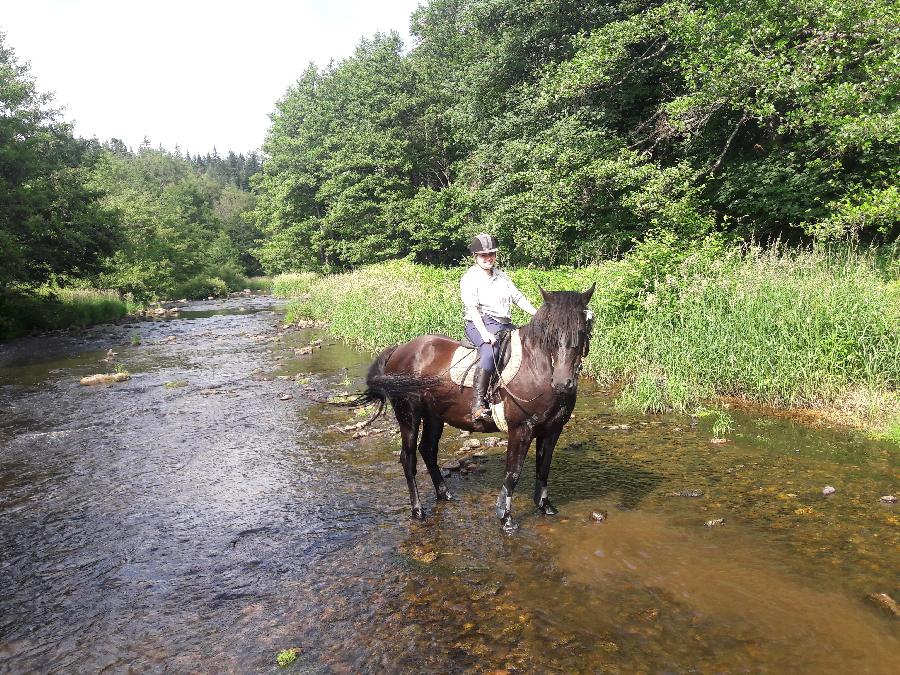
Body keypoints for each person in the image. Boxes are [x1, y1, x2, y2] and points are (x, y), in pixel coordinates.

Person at [460, 233, 538, 420]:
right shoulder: (469, 278)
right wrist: (484, 333)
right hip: (480, 323)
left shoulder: (501, 276)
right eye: (483, 255)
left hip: (504, 325)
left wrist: (538, 315)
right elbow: (472, 309)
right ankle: (478, 404)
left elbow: (518, 298)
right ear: (475, 257)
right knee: (490, 353)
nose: (488, 258)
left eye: (491, 254)